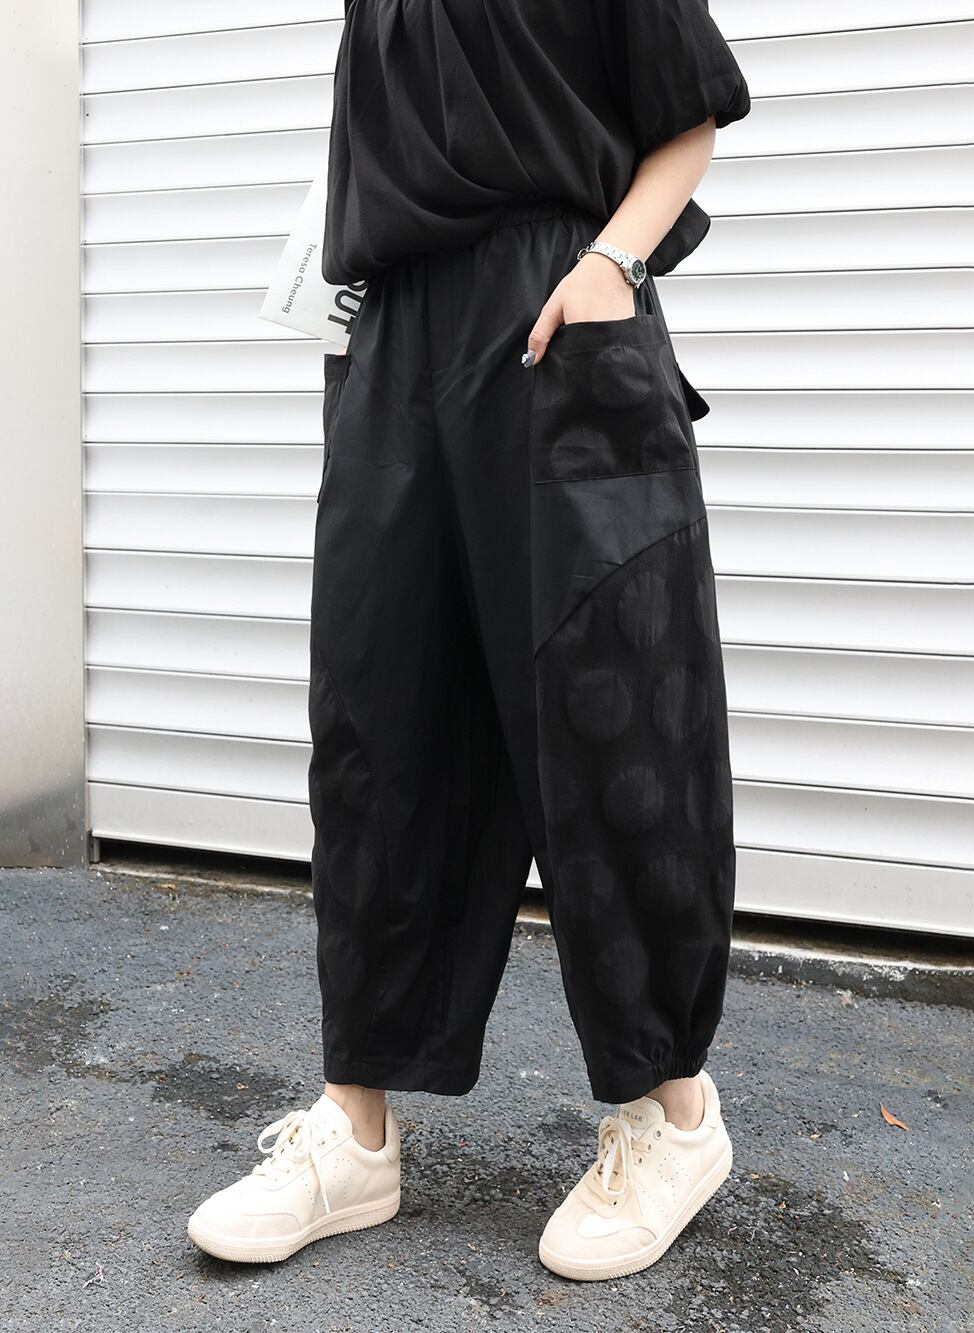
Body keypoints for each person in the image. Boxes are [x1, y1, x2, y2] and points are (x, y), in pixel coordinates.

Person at [188, 0, 751, 1282]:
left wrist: (610, 263)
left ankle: (673, 1116)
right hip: (397, 333)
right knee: (377, 721)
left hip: (560, 318)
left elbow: (688, 119)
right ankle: (353, 1129)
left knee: (611, 716)